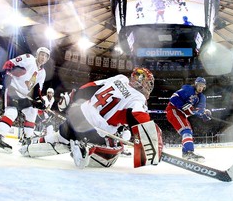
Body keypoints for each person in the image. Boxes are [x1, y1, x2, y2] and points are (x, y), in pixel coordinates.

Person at [20, 67, 163, 169]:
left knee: (61, 137)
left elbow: (90, 87)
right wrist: (151, 147)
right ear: (144, 84)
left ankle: (28, 148)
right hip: (94, 131)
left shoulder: (120, 79)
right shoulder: (138, 98)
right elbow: (140, 118)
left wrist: (73, 96)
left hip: (77, 114)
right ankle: (85, 148)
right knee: (111, 157)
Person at [0, 47, 51, 153]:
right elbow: (9, 63)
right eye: (42, 54)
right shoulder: (28, 58)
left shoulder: (42, 73)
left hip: (24, 95)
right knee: (12, 113)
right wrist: (6, 77)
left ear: (47, 59)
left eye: (46, 56)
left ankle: (26, 141)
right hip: (13, 90)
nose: (43, 57)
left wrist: (39, 101)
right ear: (37, 54)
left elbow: (37, 89)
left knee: (32, 112)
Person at [165, 77, 211, 162]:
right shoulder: (188, 89)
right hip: (174, 110)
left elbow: (198, 110)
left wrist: (203, 114)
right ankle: (189, 152)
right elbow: (173, 97)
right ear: (196, 84)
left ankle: (185, 152)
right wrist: (183, 105)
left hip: (182, 114)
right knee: (186, 130)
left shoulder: (201, 98)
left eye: (203, 86)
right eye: (199, 85)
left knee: (189, 132)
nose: (201, 87)